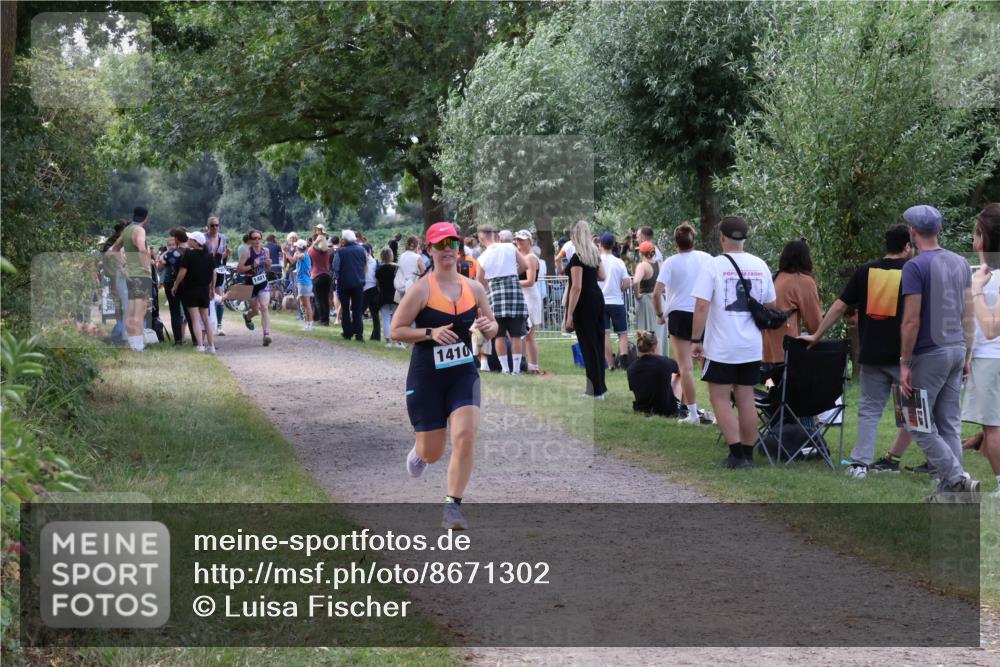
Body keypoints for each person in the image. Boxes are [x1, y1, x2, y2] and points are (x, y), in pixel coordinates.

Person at [391, 222, 499, 530]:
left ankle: (453, 506)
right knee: (433, 451)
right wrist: (430, 332)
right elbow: (396, 330)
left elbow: (490, 325)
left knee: (465, 436)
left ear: (458, 247)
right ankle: (420, 453)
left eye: (451, 242)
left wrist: (491, 328)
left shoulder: (474, 288)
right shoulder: (421, 289)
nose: (447, 249)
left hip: (464, 373)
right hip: (427, 377)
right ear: (429, 251)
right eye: (439, 245)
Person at [800, 224, 914, 477]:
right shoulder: (912, 271)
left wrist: (817, 335)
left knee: (869, 411)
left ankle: (859, 464)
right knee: (914, 411)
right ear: (907, 246)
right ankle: (939, 466)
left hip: (872, 352)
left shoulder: (866, 271)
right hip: (904, 356)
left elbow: (840, 306)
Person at [898, 204, 979, 501]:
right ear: (940, 230)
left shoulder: (915, 267)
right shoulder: (960, 262)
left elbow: (911, 320)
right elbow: (968, 314)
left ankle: (958, 479)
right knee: (948, 423)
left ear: (912, 232)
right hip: (957, 348)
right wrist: (967, 354)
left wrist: (904, 363)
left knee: (913, 420)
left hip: (929, 351)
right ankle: (951, 494)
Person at [690, 216, 777, 468]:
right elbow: (770, 305)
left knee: (719, 397)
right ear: (745, 238)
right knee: (746, 396)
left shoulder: (714, 265)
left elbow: (701, 306)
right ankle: (749, 454)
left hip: (722, 345)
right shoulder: (760, 264)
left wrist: (696, 338)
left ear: (722, 238)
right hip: (751, 344)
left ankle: (736, 453)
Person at [653, 224, 713, 424]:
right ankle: (719, 408)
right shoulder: (706, 258)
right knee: (708, 364)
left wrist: (660, 314)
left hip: (678, 314)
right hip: (702, 312)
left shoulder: (671, 262)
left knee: (685, 368)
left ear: (675, 243)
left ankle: (693, 414)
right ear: (693, 240)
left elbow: (656, 292)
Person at [961, 203, 1000, 496]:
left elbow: (991, 327)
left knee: (993, 426)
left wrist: (975, 289)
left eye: (977, 234)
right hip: (986, 359)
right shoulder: (990, 273)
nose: (974, 242)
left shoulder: (987, 277)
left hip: (993, 360)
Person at [476, 224, 529, 374]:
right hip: (514, 289)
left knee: (499, 334)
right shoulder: (510, 248)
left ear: (481, 238)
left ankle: (505, 369)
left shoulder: (482, 257)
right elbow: (524, 265)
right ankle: (517, 370)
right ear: (497, 236)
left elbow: (479, 280)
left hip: (495, 293)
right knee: (516, 334)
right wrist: (512, 274)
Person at [762, 240, 823, 367]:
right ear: (806, 258)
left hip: (766, 349)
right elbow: (815, 324)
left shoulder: (776, 277)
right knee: (789, 387)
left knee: (771, 386)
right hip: (785, 350)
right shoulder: (803, 281)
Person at [564, 220, 607, 398]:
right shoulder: (594, 255)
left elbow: (576, 287)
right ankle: (600, 388)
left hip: (584, 302)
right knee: (597, 343)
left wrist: (569, 315)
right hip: (597, 298)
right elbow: (603, 276)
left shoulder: (577, 258)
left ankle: (594, 390)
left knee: (588, 346)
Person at [107, 206, 151, 352]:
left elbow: (114, 249)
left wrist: (123, 265)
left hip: (130, 275)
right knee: (140, 312)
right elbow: (142, 249)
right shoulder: (140, 230)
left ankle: (134, 344)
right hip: (141, 275)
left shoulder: (127, 230)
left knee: (131, 312)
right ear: (146, 218)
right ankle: (138, 346)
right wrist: (146, 267)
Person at [171, 231, 217, 353]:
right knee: (206, 319)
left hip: (191, 290)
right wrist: (212, 289)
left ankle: (200, 345)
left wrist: (175, 284)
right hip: (204, 290)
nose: (188, 240)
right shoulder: (209, 256)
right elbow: (214, 273)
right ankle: (211, 346)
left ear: (196, 242)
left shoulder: (189, 254)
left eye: (190, 239)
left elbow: (182, 272)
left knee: (195, 319)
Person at [157, 228, 196, 346]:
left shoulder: (171, 253)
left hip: (171, 282)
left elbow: (160, 267)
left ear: (177, 239)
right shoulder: (192, 252)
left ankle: (178, 340)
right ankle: (196, 339)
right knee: (190, 312)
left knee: (174, 312)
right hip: (188, 284)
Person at [627, 330, 680, 417]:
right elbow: (681, 370)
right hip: (666, 410)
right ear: (654, 347)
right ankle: (686, 406)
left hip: (642, 409)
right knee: (680, 375)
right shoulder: (665, 362)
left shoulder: (630, 369)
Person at [598, 232, 631, 370]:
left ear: (600, 244)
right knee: (622, 333)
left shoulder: (596, 260)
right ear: (614, 245)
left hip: (601, 302)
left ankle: (610, 364)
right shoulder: (619, 262)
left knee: (605, 334)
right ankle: (624, 363)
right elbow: (626, 282)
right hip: (617, 301)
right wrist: (620, 290)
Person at [237, 229, 274, 347]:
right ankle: (247, 317)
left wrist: (269, 264)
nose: (257, 240)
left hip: (263, 282)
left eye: (259, 238)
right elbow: (239, 269)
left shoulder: (266, 251)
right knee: (255, 311)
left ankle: (266, 335)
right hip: (250, 285)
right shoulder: (247, 253)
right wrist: (252, 265)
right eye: (254, 238)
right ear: (250, 241)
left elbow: (268, 267)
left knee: (264, 307)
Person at [514, 229, 544, 374]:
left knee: (529, 335)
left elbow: (530, 281)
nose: (519, 242)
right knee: (522, 334)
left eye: (522, 239)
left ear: (529, 241)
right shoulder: (519, 256)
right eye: (517, 239)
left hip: (530, 296)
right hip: (522, 296)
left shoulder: (531, 258)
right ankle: (524, 364)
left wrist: (512, 282)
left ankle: (534, 365)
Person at [333, 229, 368, 342]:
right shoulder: (362, 250)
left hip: (344, 283)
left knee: (345, 308)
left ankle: (347, 333)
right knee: (357, 310)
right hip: (358, 283)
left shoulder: (340, 252)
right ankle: (359, 335)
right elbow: (365, 265)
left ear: (345, 239)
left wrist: (338, 277)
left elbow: (335, 267)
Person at [203, 216, 228, 337]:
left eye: (216, 225)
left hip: (219, 269)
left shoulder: (222, 238)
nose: (214, 227)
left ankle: (219, 326)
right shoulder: (203, 238)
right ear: (208, 226)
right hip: (206, 270)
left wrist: (225, 255)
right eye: (212, 225)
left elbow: (223, 255)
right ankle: (207, 324)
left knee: (220, 297)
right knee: (208, 296)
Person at [375, 247, 401, 348]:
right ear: (391, 256)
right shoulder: (396, 268)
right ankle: (398, 341)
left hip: (383, 296)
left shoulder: (379, 269)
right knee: (397, 319)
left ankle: (388, 341)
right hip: (395, 296)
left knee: (385, 318)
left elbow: (377, 283)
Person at [308, 236, 333, 326]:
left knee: (318, 299)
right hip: (327, 276)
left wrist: (314, 242)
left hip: (316, 276)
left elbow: (308, 251)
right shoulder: (328, 252)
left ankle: (321, 319)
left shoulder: (312, 251)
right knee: (325, 299)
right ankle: (326, 319)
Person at [292, 239, 314, 330]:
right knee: (305, 304)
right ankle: (308, 324)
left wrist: (287, 253)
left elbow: (296, 258)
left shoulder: (304, 255)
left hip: (304, 282)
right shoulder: (304, 255)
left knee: (306, 304)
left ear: (299, 247)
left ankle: (310, 325)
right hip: (303, 282)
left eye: (296, 246)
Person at [363, 246, 380, 341]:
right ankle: (376, 336)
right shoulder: (374, 262)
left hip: (369, 289)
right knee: (374, 314)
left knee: (360, 312)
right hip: (372, 289)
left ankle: (354, 330)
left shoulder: (371, 262)